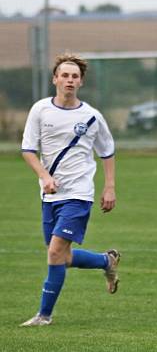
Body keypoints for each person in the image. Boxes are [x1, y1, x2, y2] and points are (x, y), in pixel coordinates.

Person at [19, 53, 121, 327]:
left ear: (81, 82)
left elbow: (107, 152)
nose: (69, 80)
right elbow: (28, 150)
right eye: (64, 75)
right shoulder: (40, 110)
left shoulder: (91, 117)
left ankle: (44, 315)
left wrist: (109, 187)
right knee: (61, 258)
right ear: (55, 79)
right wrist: (44, 177)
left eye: (74, 76)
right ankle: (105, 261)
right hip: (49, 195)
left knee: (54, 253)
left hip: (79, 194)